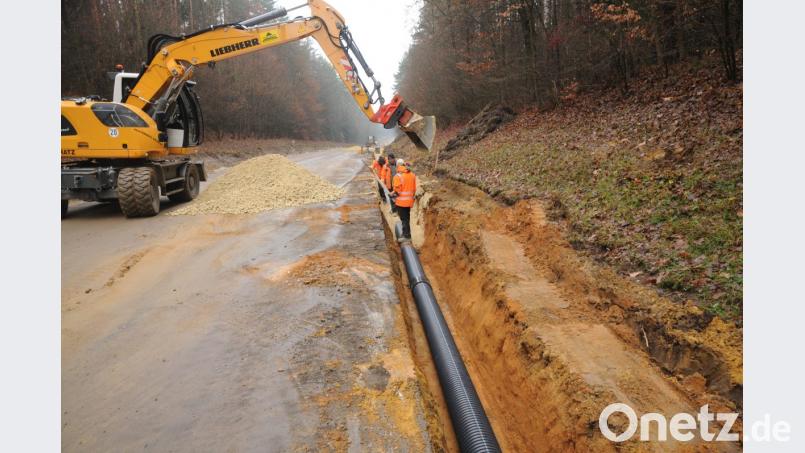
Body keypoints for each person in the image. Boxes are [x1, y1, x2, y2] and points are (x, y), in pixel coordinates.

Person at [391, 159, 416, 240]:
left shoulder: (397, 176)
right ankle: (406, 234)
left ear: (398, 166)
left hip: (401, 202)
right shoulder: (412, 175)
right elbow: (414, 188)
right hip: (409, 201)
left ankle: (406, 236)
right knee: (407, 218)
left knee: (403, 219)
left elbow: (398, 191)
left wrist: (393, 194)